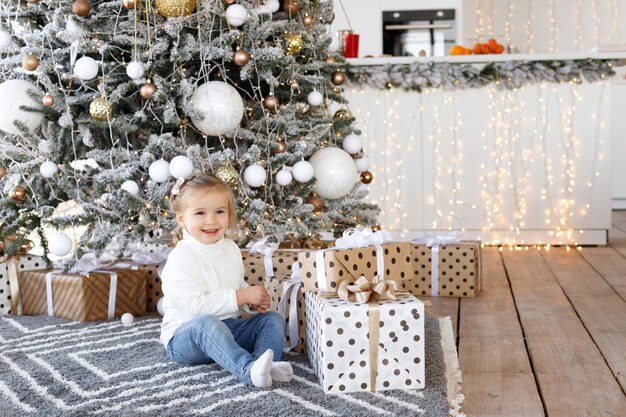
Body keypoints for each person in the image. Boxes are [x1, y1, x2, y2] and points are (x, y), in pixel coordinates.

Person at [159, 173, 292, 388]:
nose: (211, 220)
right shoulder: (181, 257)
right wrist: (240, 296)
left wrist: (250, 299)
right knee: (207, 323)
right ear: (182, 219)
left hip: (226, 330)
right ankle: (248, 370)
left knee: (271, 320)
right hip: (186, 337)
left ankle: (265, 364)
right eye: (200, 213)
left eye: (219, 212)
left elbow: (236, 284)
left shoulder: (230, 248)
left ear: (228, 214)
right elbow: (196, 307)